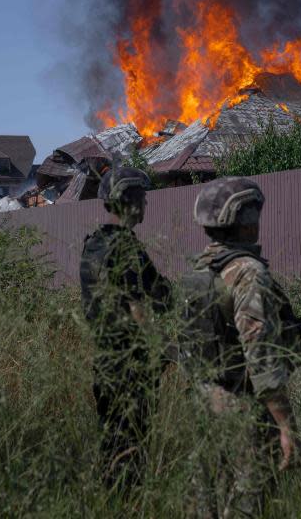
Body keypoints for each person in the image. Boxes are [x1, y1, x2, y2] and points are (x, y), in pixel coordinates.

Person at [181, 177, 301, 516]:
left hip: (201, 399)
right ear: (246, 220)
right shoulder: (247, 272)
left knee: (206, 497)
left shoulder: (200, 268)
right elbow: (259, 354)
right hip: (241, 404)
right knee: (248, 499)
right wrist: (285, 425)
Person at [79, 167, 170, 487]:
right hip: (130, 365)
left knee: (112, 447)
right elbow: (139, 306)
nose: (146, 204)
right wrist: (161, 348)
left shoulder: (93, 245)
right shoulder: (126, 248)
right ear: (129, 201)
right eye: (142, 198)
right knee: (132, 451)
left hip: (104, 362)